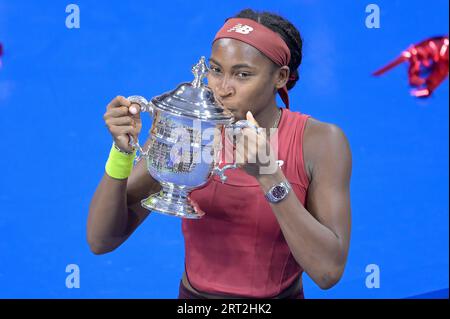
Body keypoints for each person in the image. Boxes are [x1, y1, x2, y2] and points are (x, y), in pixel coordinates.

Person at [87, 8, 352, 299]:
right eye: (216, 70)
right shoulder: (186, 130)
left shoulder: (320, 142)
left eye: (242, 74)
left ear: (280, 77)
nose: (222, 89)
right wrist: (121, 153)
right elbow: (101, 240)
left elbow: (328, 272)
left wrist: (269, 176)